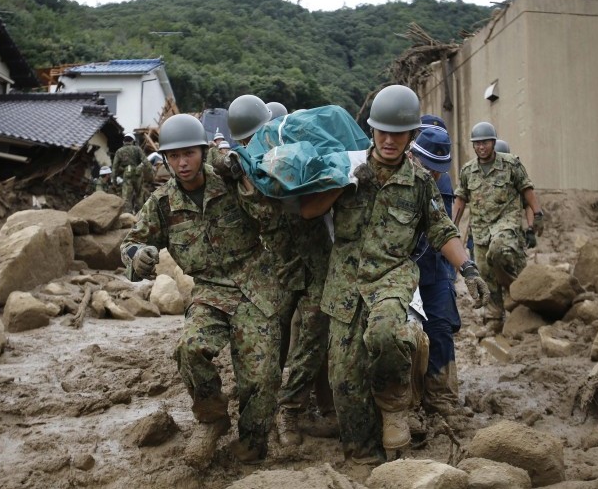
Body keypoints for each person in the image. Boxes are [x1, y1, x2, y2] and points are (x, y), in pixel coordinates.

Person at [299, 85, 491, 463]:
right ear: (372, 130)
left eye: (398, 133)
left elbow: (442, 230)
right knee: (345, 382)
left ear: (411, 136)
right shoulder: (347, 167)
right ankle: (365, 456)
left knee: (388, 334)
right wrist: (344, 184)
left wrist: (467, 268)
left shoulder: (420, 183)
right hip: (344, 286)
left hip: (390, 278)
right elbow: (308, 211)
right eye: (382, 131)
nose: (388, 140)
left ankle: (394, 404)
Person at [120, 114, 283, 467]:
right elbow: (130, 243)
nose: (182, 163)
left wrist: (246, 183)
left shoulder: (229, 181)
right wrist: (139, 257)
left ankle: (254, 441)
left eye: (189, 154)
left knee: (261, 374)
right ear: (165, 158)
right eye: (174, 156)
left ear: (203, 152)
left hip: (256, 284)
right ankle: (211, 418)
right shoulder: (162, 203)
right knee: (189, 349)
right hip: (210, 291)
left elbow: (272, 220)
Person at [226, 94, 336, 447]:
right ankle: (263, 413)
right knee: (271, 343)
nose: (256, 146)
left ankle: (293, 409)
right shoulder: (237, 171)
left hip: (317, 263)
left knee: (316, 333)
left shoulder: (299, 157)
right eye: (247, 142)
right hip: (275, 269)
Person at [451, 122, 543, 337]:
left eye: (485, 142)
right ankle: (494, 320)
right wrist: (452, 226)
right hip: (481, 230)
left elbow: (527, 191)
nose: (481, 147)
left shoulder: (511, 165)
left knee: (499, 249)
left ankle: (517, 297)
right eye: (477, 144)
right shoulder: (468, 171)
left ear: (493, 143)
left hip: (506, 224)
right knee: (485, 275)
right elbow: (460, 200)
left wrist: (537, 215)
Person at [408, 126, 463, 420]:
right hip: (398, 269)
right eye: (429, 169)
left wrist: (464, 268)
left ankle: (441, 397)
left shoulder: (440, 179)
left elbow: (444, 227)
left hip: (434, 265)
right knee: (404, 336)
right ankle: (408, 403)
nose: (434, 175)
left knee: (440, 327)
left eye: (439, 170)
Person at [495, 139, 538, 249]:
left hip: (510, 235)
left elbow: (528, 204)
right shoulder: (478, 177)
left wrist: (530, 228)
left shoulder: (516, 178)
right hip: (482, 236)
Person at [112, 133, 149, 213]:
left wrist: (114, 181)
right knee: (139, 195)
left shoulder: (119, 151)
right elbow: (145, 161)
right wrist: (144, 169)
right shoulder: (137, 149)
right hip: (138, 174)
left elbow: (114, 167)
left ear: (124, 141)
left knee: (126, 197)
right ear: (133, 141)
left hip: (127, 174)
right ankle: (141, 216)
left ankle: (127, 217)